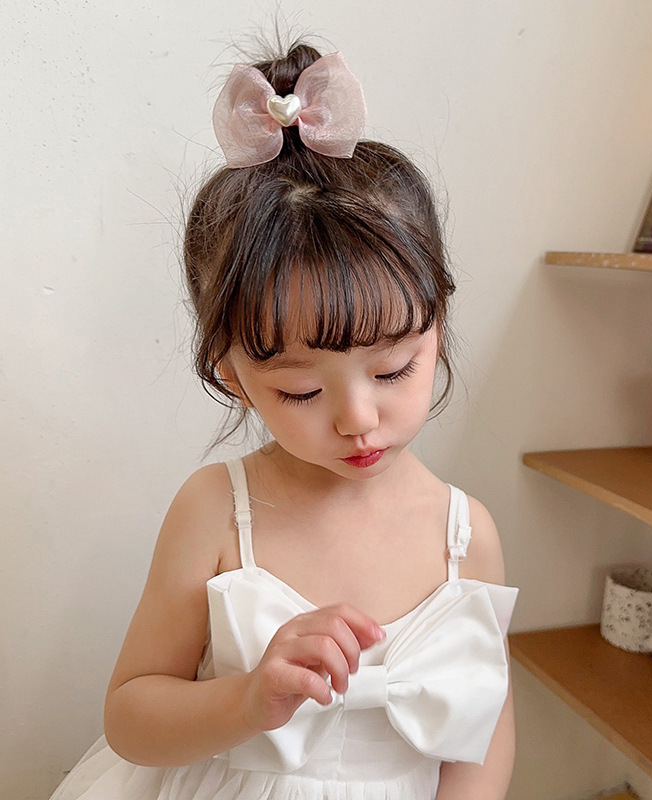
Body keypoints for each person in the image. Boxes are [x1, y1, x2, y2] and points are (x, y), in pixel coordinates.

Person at [50, 41, 518, 800]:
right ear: (232, 375)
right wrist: (247, 699)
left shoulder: (467, 537)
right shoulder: (215, 511)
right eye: (301, 392)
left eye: (393, 371)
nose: (358, 419)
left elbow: (484, 724)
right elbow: (131, 716)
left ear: (437, 325)